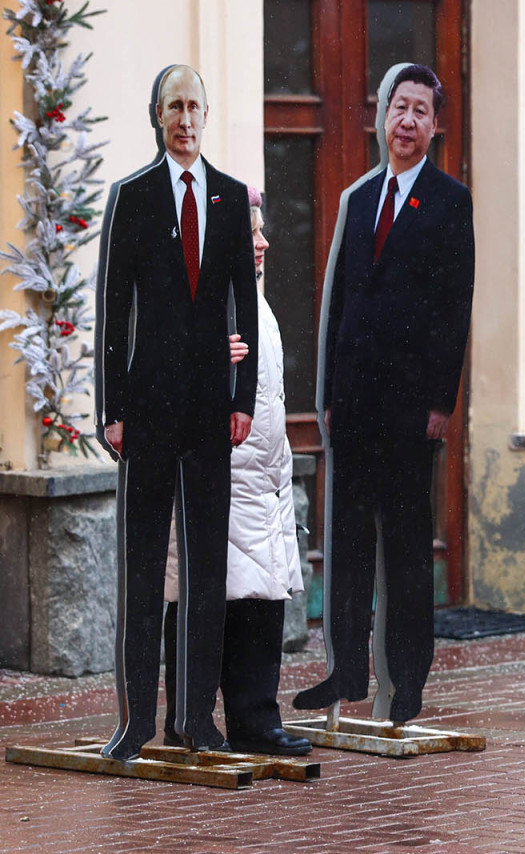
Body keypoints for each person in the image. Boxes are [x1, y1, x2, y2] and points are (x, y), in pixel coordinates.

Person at [293, 63, 475, 725]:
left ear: (434, 125)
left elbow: (455, 309)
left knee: (403, 547)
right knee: (347, 547)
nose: (407, 122)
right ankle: (344, 672)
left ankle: (406, 681)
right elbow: (343, 302)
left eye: (421, 111)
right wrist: (332, 396)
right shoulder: (360, 199)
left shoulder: (451, 202)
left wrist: (440, 403)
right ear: (383, 116)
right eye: (400, 108)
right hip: (356, 406)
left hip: (409, 409)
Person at [94, 64, 258, 760]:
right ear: (157, 116)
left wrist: (242, 399)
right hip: (147, 414)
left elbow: (241, 305)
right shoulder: (131, 197)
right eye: (174, 107)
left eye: (195, 106)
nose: (185, 118)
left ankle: (197, 718)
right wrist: (111, 411)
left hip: (210, 416)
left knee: (206, 573)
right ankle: (135, 722)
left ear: (206, 114)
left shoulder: (228, 197)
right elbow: (112, 311)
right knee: (141, 570)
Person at [160, 188, 311, 756]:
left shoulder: (255, 303)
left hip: (261, 486)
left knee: (257, 605)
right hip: (215, 482)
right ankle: (188, 719)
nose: (264, 241)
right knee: (202, 603)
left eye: (262, 230)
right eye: (252, 232)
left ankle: (255, 719)